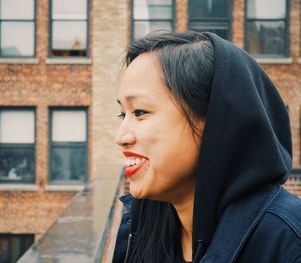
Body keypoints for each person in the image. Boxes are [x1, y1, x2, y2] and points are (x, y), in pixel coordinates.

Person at [112, 31, 301, 263]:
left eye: (140, 112)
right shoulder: (140, 225)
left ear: (214, 121)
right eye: (123, 114)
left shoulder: (287, 242)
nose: (121, 137)